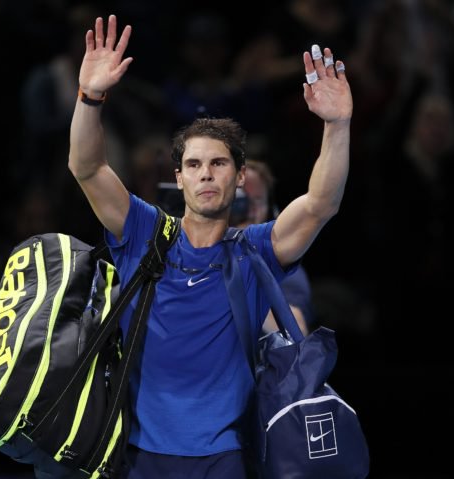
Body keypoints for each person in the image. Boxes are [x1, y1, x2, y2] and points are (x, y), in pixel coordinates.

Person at [68, 15, 352, 478]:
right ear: (176, 177)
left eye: (219, 163)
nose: (205, 173)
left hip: (225, 461)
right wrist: (90, 97)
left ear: (240, 176)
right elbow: (87, 168)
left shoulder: (256, 250)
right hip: (136, 457)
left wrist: (337, 125)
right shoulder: (142, 230)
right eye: (194, 164)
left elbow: (321, 203)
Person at [233, 159, 314, 335]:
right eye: (240, 198)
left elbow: (298, 330)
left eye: (257, 200)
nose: (250, 209)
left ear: (270, 211)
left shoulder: (280, 262)